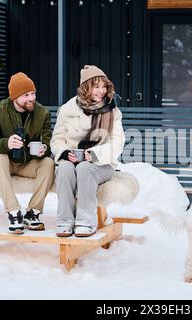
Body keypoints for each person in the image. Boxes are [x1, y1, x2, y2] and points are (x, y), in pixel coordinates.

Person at [51, 65, 125, 238]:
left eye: (104, 86)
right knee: (63, 169)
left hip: (101, 163)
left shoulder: (113, 111)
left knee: (85, 168)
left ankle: (86, 221)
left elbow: (117, 143)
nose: (101, 90)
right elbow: (57, 139)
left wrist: (93, 155)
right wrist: (64, 153)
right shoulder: (67, 110)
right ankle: (64, 221)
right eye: (96, 86)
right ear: (86, 87)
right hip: (72, 160)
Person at [0, 72, 54, 234]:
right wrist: (6, 143)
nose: (31, 98)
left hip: (27, 163)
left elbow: (48, 141)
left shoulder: (42, 113)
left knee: (48, 163)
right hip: (3, 163)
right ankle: (14, 212)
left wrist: (45, 149)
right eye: (26, 95)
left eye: (33, 93)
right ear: (14, 98)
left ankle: (33, 213)